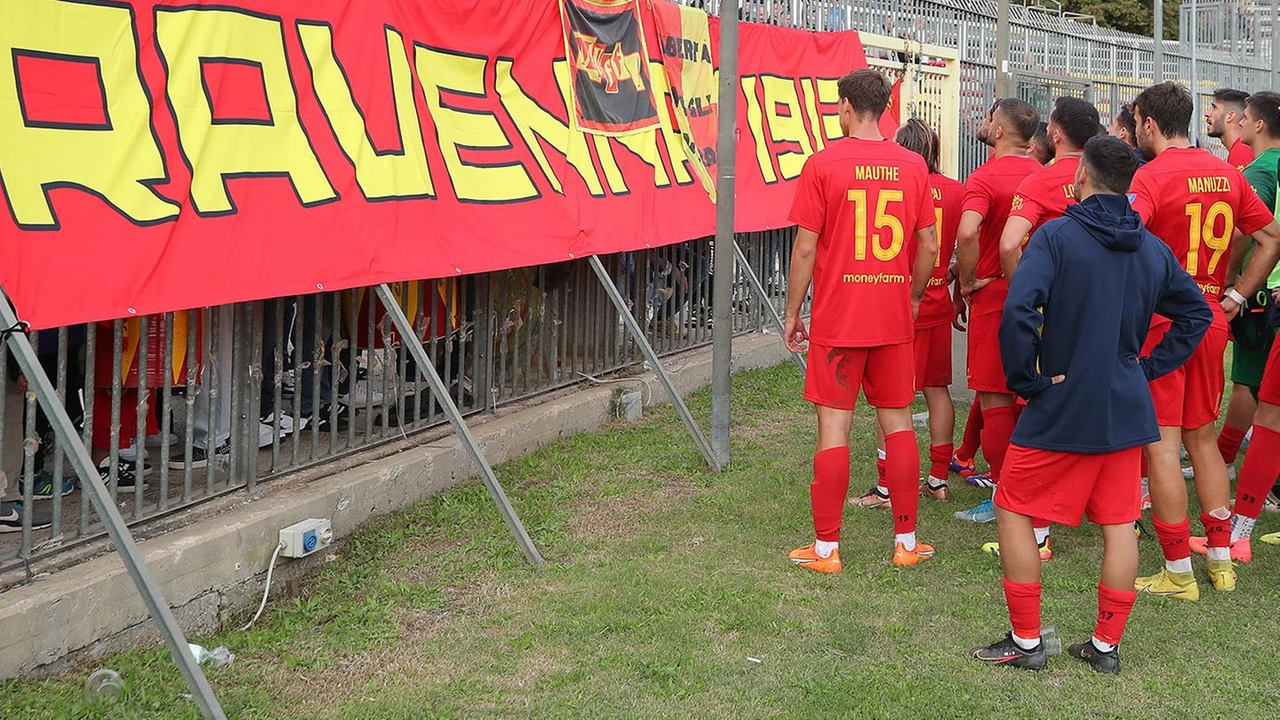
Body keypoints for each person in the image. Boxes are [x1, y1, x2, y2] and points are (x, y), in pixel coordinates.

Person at [970, 135, 1212, 673]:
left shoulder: (1056, 237)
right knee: (1120, 524)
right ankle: (1105, 648)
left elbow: (1019, 311)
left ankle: (1027, 641)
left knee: (1012, 507)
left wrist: (1025, 380)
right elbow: (1198, 315)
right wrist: (1144, 368)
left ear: (1080, 175)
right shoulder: (1151, 246)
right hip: (1124, 405)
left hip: (1062, 398)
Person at [1128, 82, 1280, 600]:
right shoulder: (1226, 173)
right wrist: (1235, 294)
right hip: (1211, 320)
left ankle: (1177, 571)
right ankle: (1220, 562)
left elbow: (1124, 238)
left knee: (1164, 447)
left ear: (1148, 124)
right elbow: (1271, 237)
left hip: (1164, 326)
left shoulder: (1148, 177)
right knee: (1202, 438)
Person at [784, 68, 939, 571]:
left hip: (838, 319)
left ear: (848, 106)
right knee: (896, 424)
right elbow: (930, 244)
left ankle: (827, 548)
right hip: (891, 317)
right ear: (886, 107)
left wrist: (792, 312)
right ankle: (907, 542)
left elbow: (806, 248)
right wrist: (912, 296)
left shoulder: (823, 164)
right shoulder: (914, 166)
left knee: (835, 427)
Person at [980, 96, 1101, 560]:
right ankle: (1115, 514)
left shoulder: (1043, 178)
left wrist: (1024, 290)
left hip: (1056, 314)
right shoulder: (1114, 182)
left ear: (1054, 134)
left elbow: (1011, 242)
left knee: (1039, 408)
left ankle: (1040, 531)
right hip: (1105, 314)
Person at [852, 119, 964, 509]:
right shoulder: (956, 190)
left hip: (903, 304)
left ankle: (886, 487)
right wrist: (955, 277)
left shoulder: (897, 184)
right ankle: (937, 479)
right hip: (938, 299)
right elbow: (963, 241)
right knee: (937, 389)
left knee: (892, 398)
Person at [1188, 91, 1280, 560]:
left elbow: (1257, 234)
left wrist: (1234, 289)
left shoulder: (1258, 168)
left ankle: (1237, 530)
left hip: (1259, 299)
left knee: (1262, 402)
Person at [953, 98, 1042, 524]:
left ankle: (1005, 496)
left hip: (996, 298)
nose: (983, 123)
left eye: (988, 118)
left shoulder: (985, 177)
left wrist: (966, 279)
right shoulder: (1044, 177)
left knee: (994, 399)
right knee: (1030, 394)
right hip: (1042, 300)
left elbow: (968, 230)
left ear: (1000, 130)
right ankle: (1032, 488)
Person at [1206, 89, 1255, 171]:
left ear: (1230, 116)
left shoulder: (1241, 152)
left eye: (1214, 107)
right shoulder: (1239, 150)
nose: (1207, 113)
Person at [1107, 103, 1146, 167]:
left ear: (1122, 132)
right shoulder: (1148, 162)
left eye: (1112, 124)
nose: (1108, 130)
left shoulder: (1117, 167)